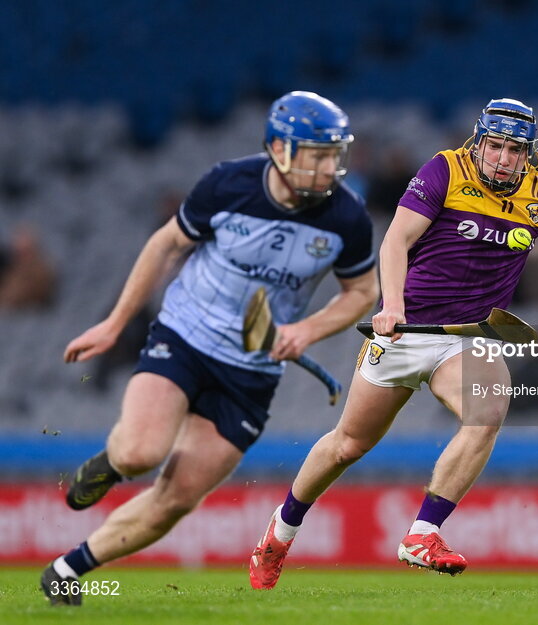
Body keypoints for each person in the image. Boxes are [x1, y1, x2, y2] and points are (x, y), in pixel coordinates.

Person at [248, 98, 538, 589]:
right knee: (347, 446)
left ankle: (423, 532)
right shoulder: (445, 170)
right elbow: (396, 241)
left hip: (468, 337)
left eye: (515, 150)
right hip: (406, 330)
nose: (503, 158)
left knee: (487, 413)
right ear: (479, 141)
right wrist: (393, 305)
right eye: (496, 146)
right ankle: (281, 531)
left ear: (529, 154)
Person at [40, 91, 379, 606]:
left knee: (176, 500)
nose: (330, 167)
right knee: (140, 453)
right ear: (279, 149)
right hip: (184, 338)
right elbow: (166, 244)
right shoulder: (228, 184)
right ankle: (112, 462)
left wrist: (308, 330)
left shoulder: (346, 218)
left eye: (334, 154)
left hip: (251, 374)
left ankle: (68, 569)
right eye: (318, 154)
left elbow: (362, 292)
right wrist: (114, 323)